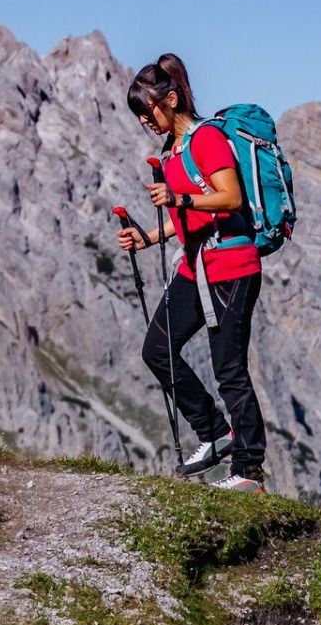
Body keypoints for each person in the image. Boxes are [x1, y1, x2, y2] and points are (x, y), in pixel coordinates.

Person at [115, 54, 270, 493]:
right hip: (196, 263)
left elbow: (230, 199)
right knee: (157, 349)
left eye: (149, 111)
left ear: (171, 98)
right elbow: (187, 214)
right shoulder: (173, 150)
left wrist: (178, 201)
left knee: (229, 369)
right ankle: (216, 432)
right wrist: (146, 237)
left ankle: (249, 472)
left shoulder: (207, 140)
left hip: (233, 266)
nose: (147, 121)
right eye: (142, 116)